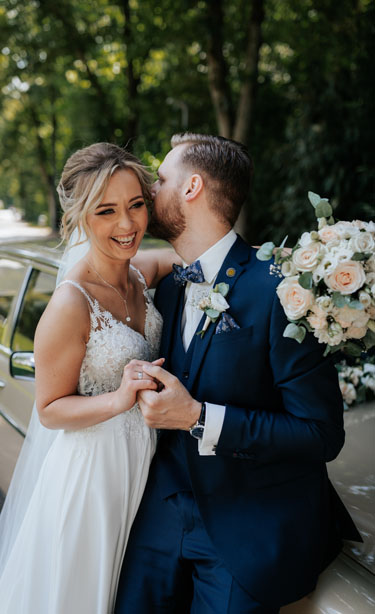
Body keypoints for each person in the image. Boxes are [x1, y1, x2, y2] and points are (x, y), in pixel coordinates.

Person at [115, 133, 361, 613]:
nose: (150, 190)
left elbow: (321, 434)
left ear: (192, 188)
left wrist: (198, 417)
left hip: (248, 528)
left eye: (161, 179)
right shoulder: (165, 288)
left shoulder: (283, 294)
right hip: (159, 515)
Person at [0, 143, 178, 614]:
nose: (127, 225)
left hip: (142, 464)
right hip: (92, 475)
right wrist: (119, 398)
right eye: (106, 211)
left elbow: (177, 259)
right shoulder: (69, 305)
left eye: (136, 205)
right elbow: (48, 409)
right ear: (80, 217)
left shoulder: (140, 273)